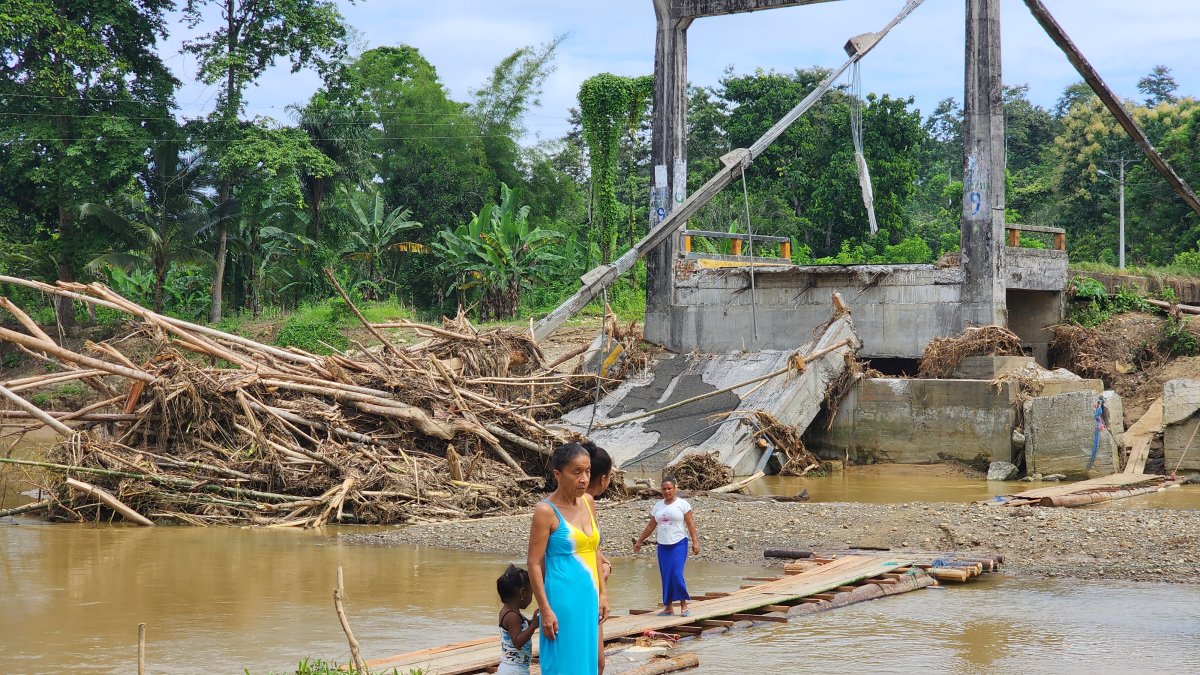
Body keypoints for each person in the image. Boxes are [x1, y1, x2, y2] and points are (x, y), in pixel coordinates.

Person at [527, 442, 610, 675]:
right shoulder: (546, 511)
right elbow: (533, 563)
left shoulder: (588, 502)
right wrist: (545, 609)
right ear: (558, 474)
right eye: (576, 472)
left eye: (588, 471)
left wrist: (603, 594)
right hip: (562, 601)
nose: (584, 479)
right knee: (564, 664)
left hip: (589, 599)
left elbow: (594, 550)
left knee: (589, 664)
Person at [632, 476, 700, 616]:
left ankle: (683, 604)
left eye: (670, 488)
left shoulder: (683, 504)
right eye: (664, 489)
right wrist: (640, 541)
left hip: (679, 543)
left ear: (675, 489)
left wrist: (695, 542)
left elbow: (690, 524)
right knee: (666, 575)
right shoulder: (658, 506)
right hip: (663, 545)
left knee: (676, 575)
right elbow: (651, 525)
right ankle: (668, 607)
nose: (667, 491)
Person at [583, 440, 614, 674]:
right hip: (585, 589)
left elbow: (589, 544)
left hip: (592, 587)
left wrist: (602, 560)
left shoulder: (585, 503)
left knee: (595, 661)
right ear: (603, 478)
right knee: (595, 661)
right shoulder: (584, 502)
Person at [496, 564, 539, 675]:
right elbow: (517, 641)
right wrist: (533, 625)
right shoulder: (512, 616)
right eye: (532, 593)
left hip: (510, 668)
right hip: (514, 670)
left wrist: (531, 622)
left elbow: (519, 628)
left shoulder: (508, 611)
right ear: (523, 592)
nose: (531, 597)